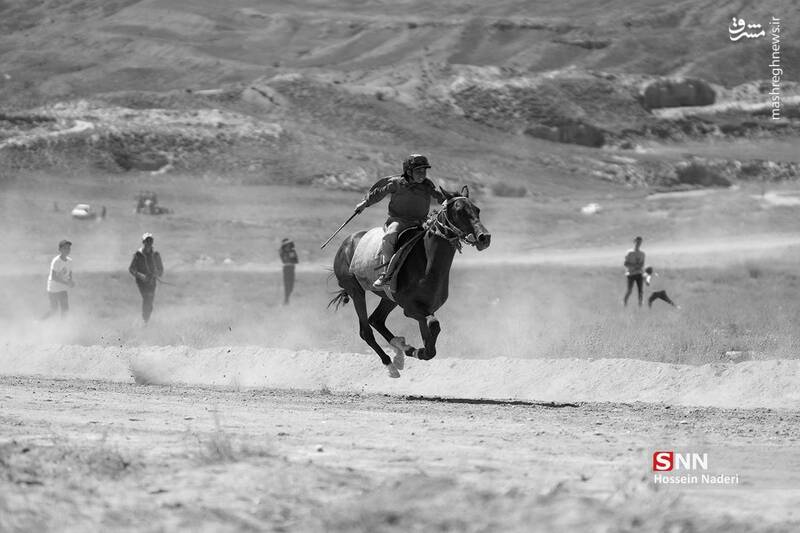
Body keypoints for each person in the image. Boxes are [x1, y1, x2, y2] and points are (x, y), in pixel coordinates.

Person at [354, 154, 446, 288]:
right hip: (399, 221)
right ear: (409, 172)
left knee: (439, 237)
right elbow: (379, 193)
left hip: (421, 222)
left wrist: (446, 201)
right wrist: (365, 203)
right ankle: (386, 273)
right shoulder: (396, 183)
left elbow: (439, 196)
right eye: (418, 171)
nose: (422, 174)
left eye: (424, 170)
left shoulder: (427, 185)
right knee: (389, 236)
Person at [128, 232, 164, 324]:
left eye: (150, 241)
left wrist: (157, 273)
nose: (148, 243)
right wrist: (141, 276)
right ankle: (145, 320)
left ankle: (146, 320)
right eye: (146, 241)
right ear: (143, 242)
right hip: (141, 282)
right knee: (147, 298)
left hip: (152, 281)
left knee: (150, 301)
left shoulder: (156, 255)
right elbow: (131, 269)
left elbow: (161, 269)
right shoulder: (138, 254)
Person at [42, 239, 74, 319]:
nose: (67, 250)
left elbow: (69, 273)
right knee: (54, 310)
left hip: (62, 288)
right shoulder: (56, 261)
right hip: (53, 288)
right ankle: (39, 322)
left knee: (65, 309)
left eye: (68, 248)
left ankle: (63, 327)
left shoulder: (70, 261)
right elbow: (54, 277)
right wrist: (67, 283)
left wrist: (71, 281)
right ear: (60, 249)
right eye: (65, 248)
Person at [623, 236, 645, 307]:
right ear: (634, 242)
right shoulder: (629, 252)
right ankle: (624, 303)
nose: (638, 243)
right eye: (637, 242)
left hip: (639, 274)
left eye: (640, 242)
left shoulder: (642, 253)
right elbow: (625, 263)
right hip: (630, 274)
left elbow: (642, 264)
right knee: (629, 290)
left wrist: (639, 267)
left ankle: (640, 306)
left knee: (640, 291)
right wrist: (635, 266)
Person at [279, 238, 299, 305]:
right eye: (287, 245)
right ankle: (286, 299)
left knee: (291, 286)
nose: (288, 246)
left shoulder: (292, 251)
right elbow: (284, 260)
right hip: (287, 268)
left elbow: (296, 261)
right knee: (287, 285)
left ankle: (286, 299)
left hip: (291, 268)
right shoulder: (282, 252)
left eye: (288, 245)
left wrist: (291, 257)